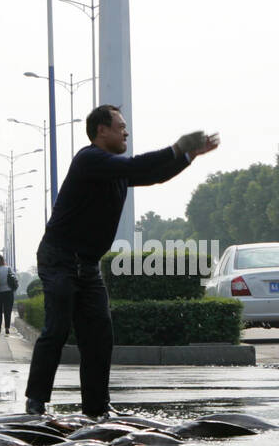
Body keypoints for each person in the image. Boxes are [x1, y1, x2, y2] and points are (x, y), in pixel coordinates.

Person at [24, 104, 219, 417]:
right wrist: (176, 147)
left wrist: (187, 156)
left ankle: (97, 407)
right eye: (120, 126)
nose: (126, 132)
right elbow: (139, 164)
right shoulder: (89, 159)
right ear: (102, 130)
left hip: (86, 264)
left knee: (99, 336)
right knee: (57, 329)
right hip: (59, 258)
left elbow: (152, 174)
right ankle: (36, 402)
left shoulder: (114, 170)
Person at [0, 255, 17, 334]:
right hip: (8, 292)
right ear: (3, 260)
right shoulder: (8, 268)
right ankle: (7, 328)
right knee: (8, 310)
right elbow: (15, 278)